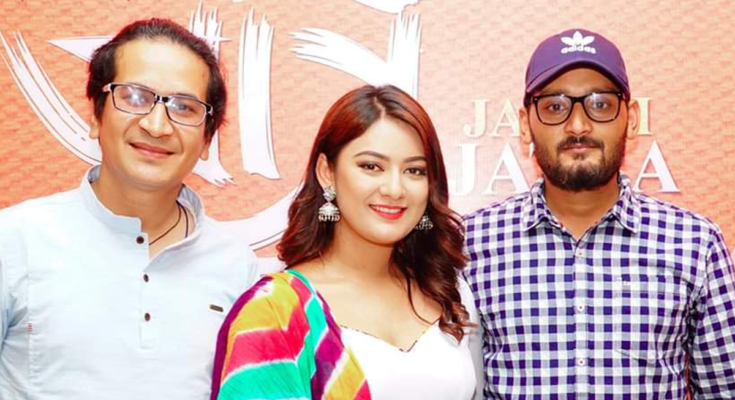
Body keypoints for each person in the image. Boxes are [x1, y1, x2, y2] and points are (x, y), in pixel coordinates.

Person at [463, 27, 735, 398]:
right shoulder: (470, 243)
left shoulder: (695, 244)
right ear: (525, 124)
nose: (578, 126)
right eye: (555, 106)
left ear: (632, 119)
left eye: (601, 104)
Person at [0, 18, 258, 399]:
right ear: (96, 114)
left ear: (207, 140)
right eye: (135, 97)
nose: (156, 125)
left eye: (184, 107)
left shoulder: (238, 268)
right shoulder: (14, 240)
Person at [210, 85, 484, 400]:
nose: (394, 189)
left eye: (414, 170)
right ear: (327, 172)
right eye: (371, 166)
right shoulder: (277, 310)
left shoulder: (449, 292)